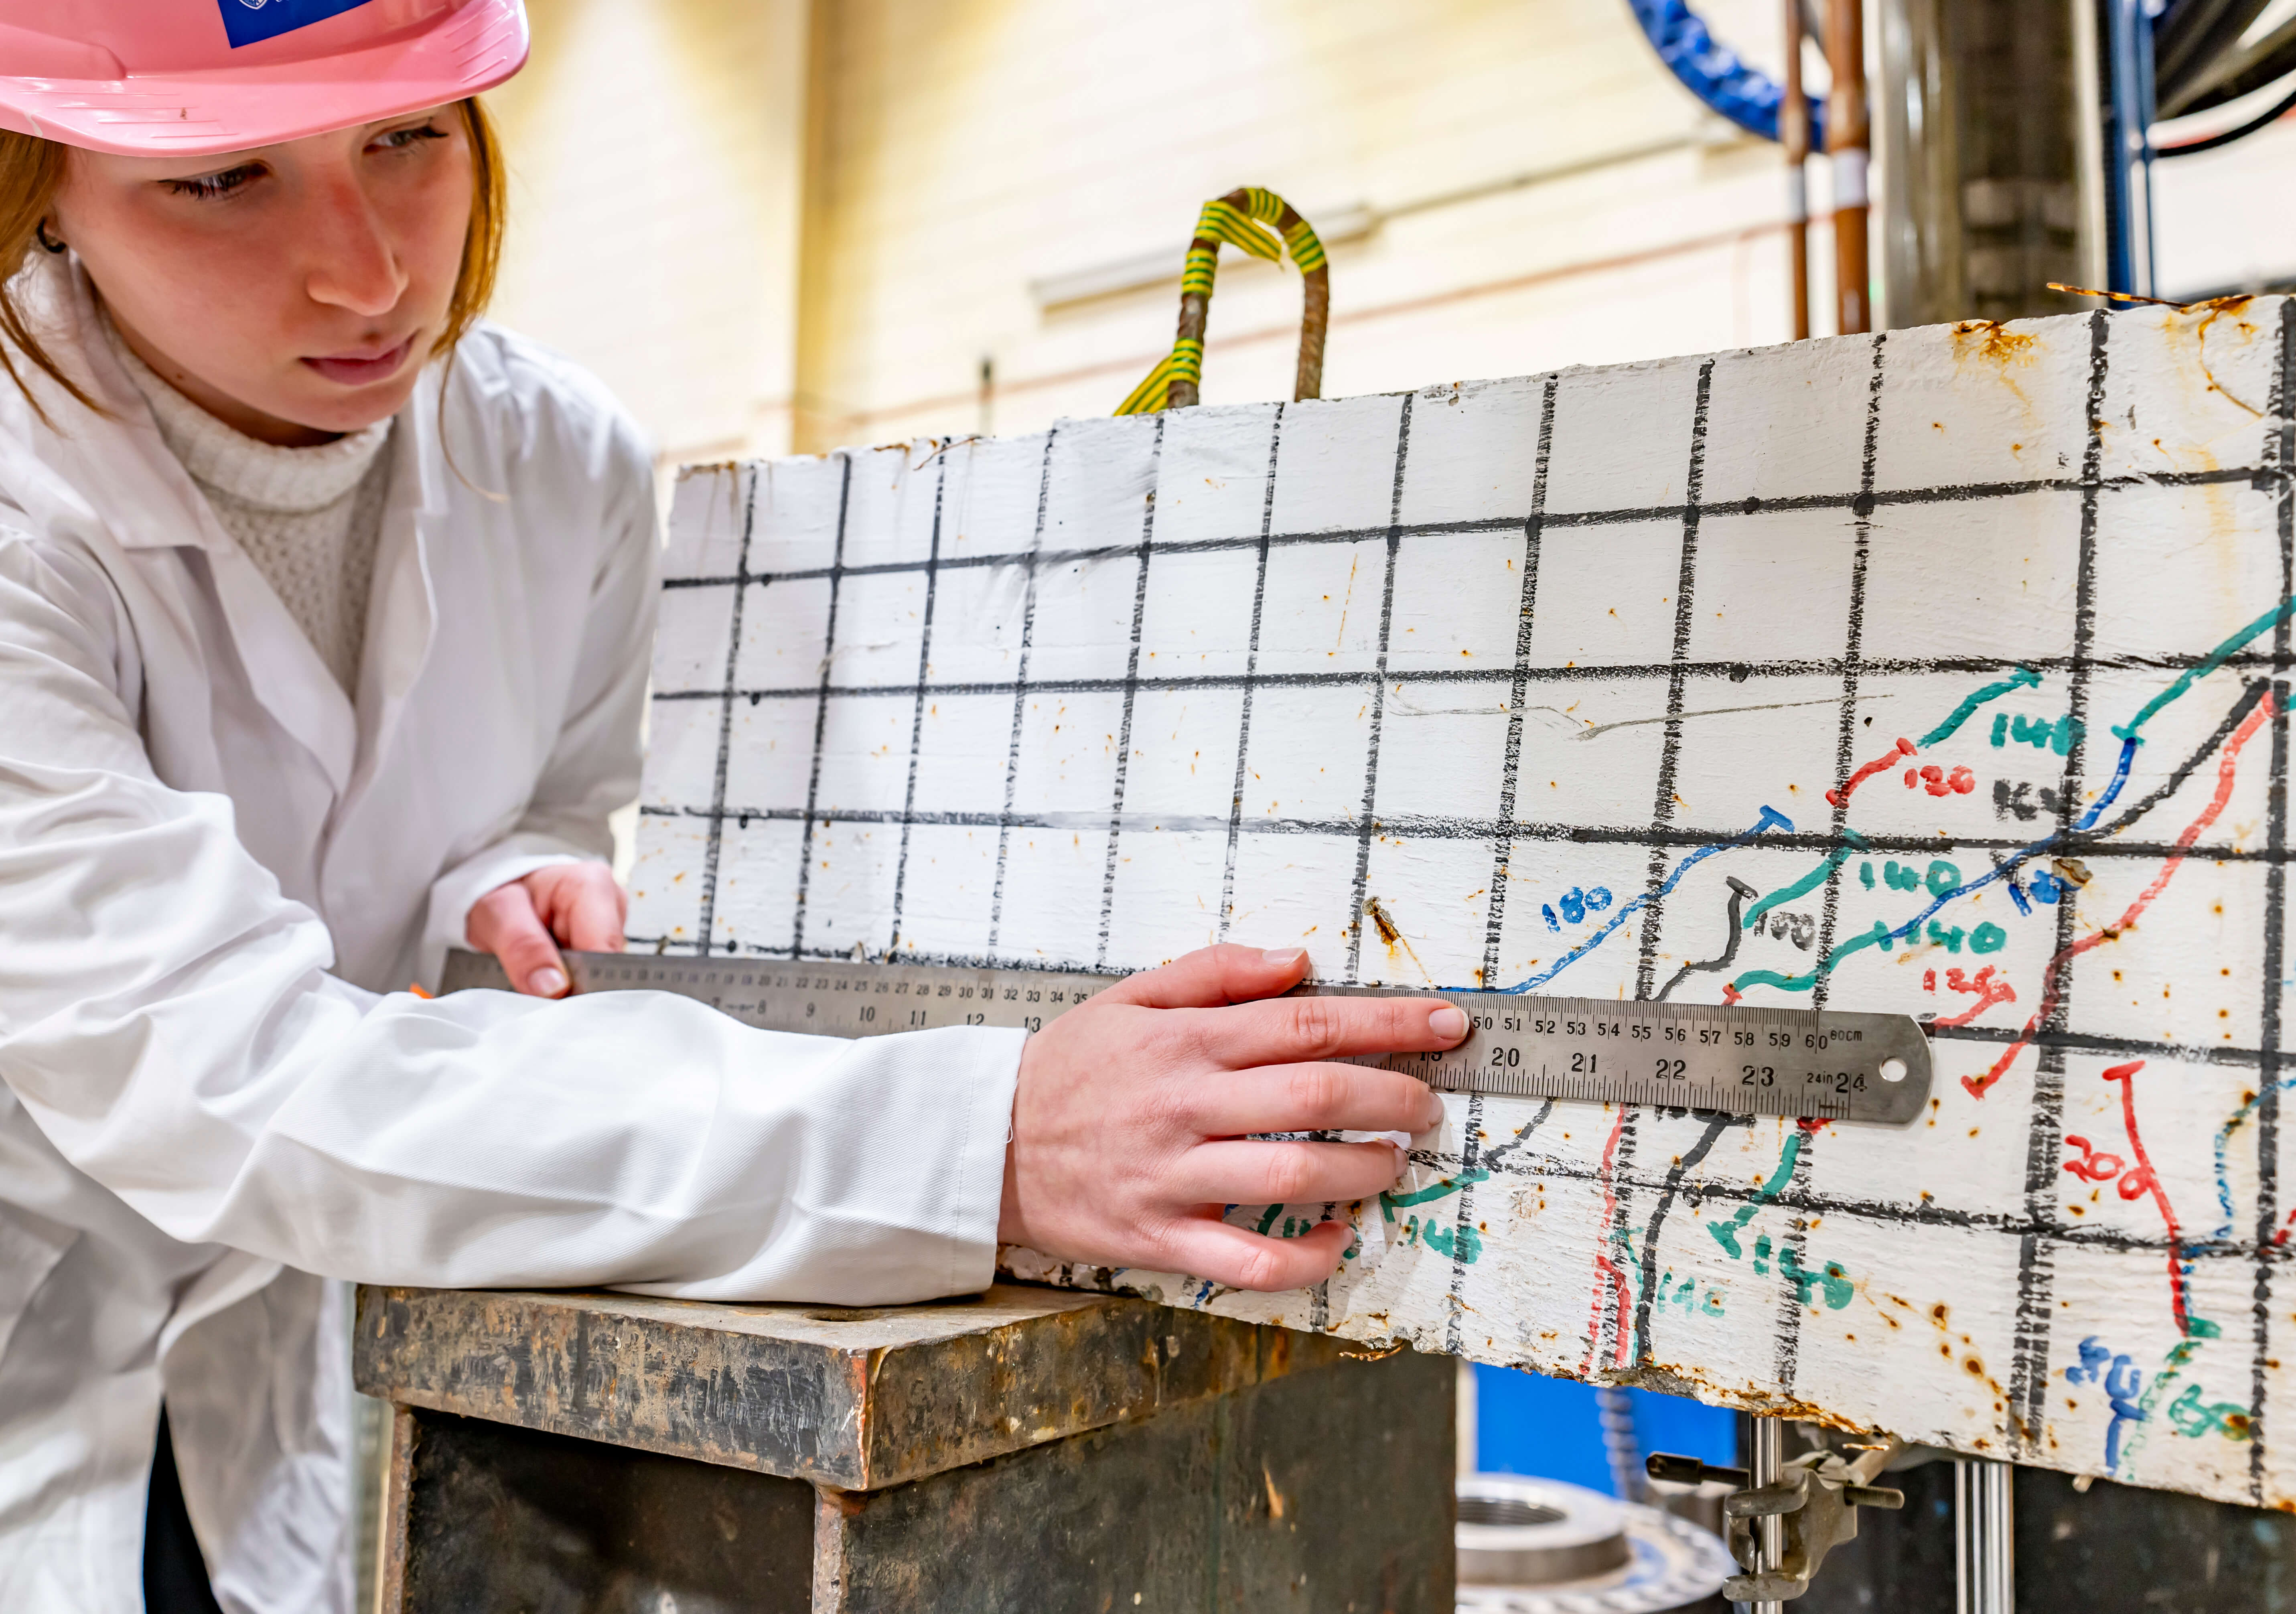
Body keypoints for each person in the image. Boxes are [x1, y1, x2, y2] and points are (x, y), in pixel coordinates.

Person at [0, 4, 1465, 1610]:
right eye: (223, 179)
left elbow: (559, 789)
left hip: (284, 1334)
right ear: (42, 177)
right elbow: (215, 1062)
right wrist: (977, 1143)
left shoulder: (561, 464)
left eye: (406, 139)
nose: (369, 274)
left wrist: (517, 861)